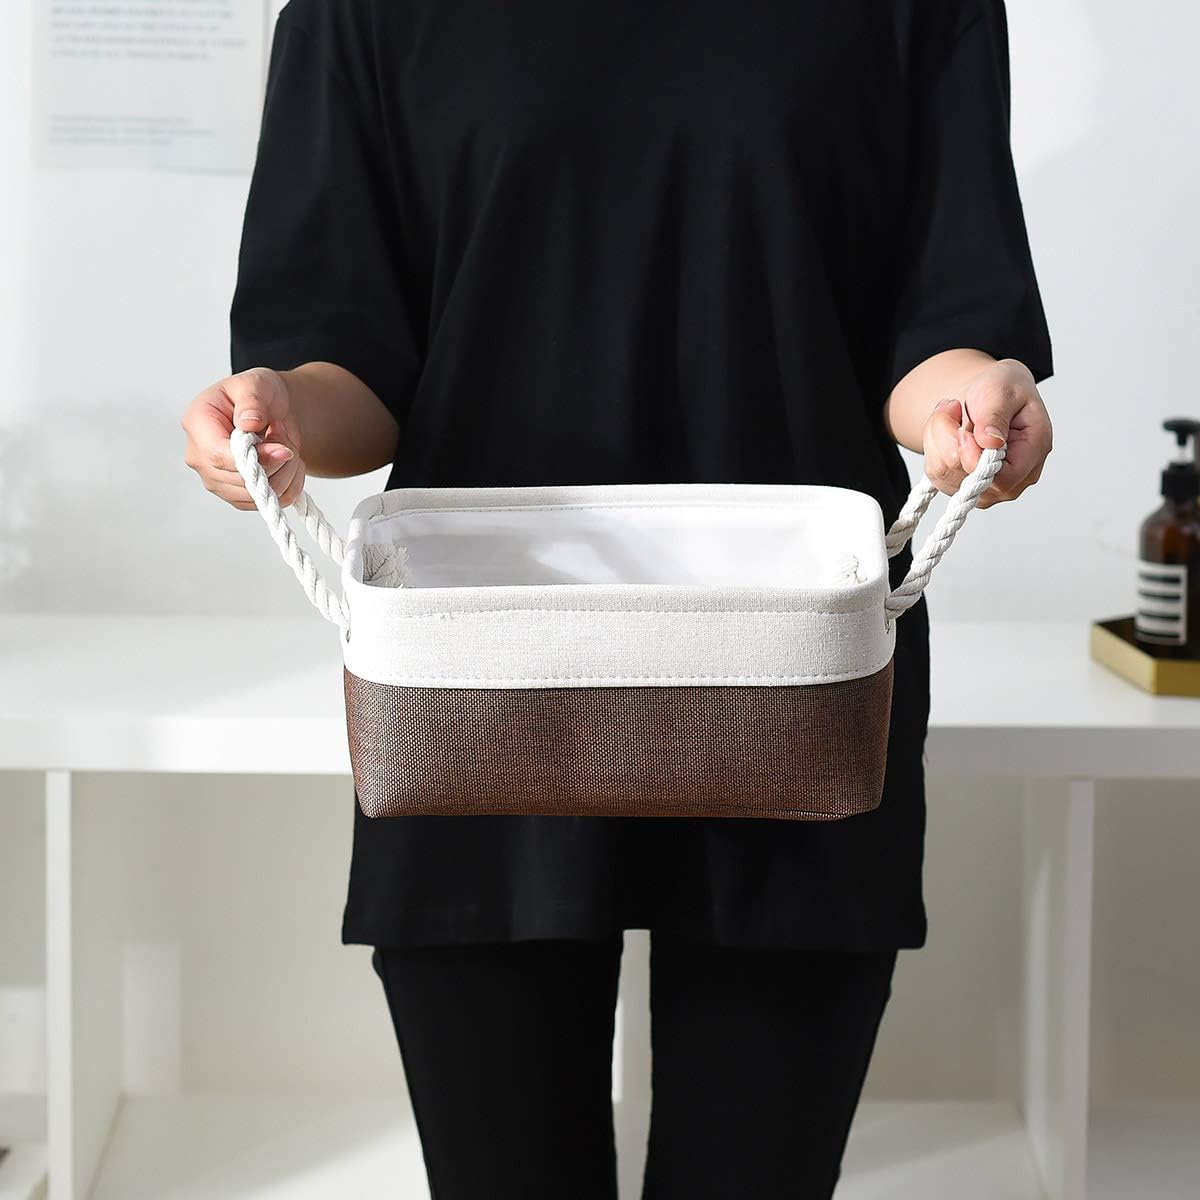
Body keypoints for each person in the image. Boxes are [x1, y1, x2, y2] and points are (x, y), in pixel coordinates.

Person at [180, 0, 1054, 1195]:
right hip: (477, 677)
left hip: (796, 674)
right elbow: (356, 367)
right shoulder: (361, 14)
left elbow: (936, 331)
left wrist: (971, 412)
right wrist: (273, 416)